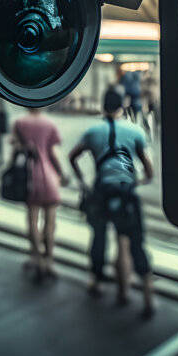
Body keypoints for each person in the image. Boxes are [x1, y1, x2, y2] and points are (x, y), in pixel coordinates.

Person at [69, 89, 155, 318]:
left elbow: (72, 156)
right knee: (129, 242)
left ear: (102, 106)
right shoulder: (135, 131)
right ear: (123, 106)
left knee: (99, 237)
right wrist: (138, 181)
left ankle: (96, 282)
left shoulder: (92, 132)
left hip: (100, 192)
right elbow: (149, 170)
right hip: (125, 193)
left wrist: (82, 181)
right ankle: (137, 293)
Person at [13, 107, 68, 282]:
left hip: (30, 177)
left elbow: (15, 151)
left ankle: (37, 260)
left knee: (32, 220)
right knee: (50, 223)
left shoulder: (20, 123)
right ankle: (49, 261)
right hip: (49, 176)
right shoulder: (49, 124)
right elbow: (52, 153)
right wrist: (62, 173)